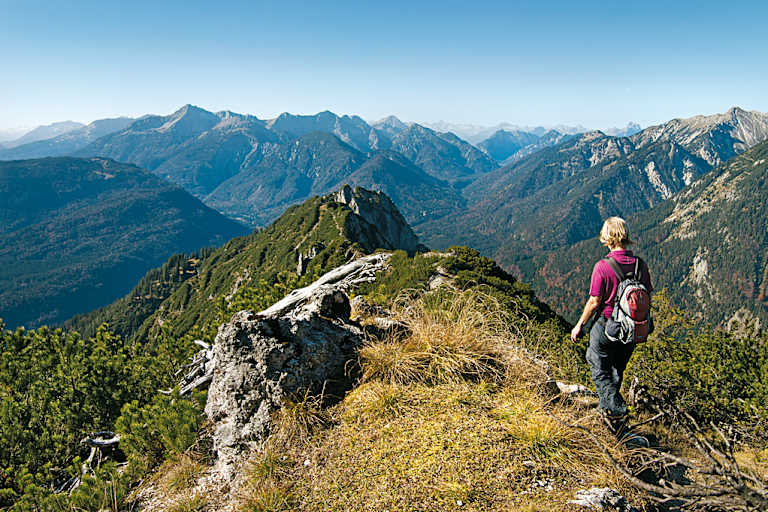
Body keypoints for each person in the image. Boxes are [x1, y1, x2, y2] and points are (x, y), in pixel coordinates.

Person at [570, 217, 653, 437]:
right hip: (631, 330)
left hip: (607, 325)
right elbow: (647, 295)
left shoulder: (603, 267)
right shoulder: (640, 265)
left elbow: (594, 302)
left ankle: (616, 409)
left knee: (597, 364)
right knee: (616, 371)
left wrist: (579, 325)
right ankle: (611, 420)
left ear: (607, 238)